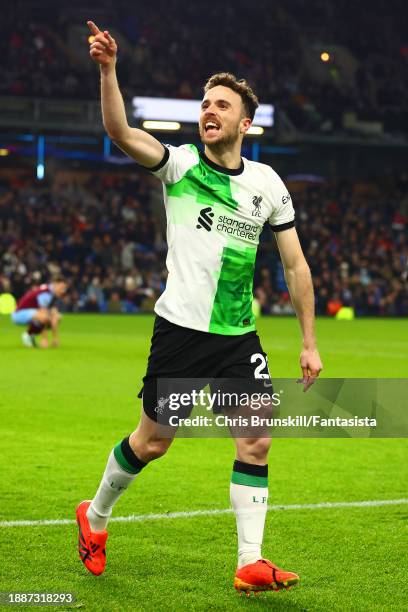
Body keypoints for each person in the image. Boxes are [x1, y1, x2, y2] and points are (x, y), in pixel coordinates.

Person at [76, 21, 323, 594]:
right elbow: (120, 133)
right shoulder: (181, 166)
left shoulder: (266, 184)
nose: (209, 111)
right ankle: (96, 517)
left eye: (222, 105)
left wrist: (309, 341)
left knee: (256, 437)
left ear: (245, 122)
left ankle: (250, 561)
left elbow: (295, 264)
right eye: (205, 104)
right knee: (153, 442)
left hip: (238, 336)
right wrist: (109, 71)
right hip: (181, 333)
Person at [11, 278, 67, 348]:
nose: (63, 291)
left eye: (64, 288)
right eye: (61, 288)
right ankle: (29, 335)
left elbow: (54, 315)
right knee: (44, 317)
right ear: (55, 284)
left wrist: (55, 338)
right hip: (19, 314)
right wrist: (44, 339)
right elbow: (43, 314)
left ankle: (31, 335)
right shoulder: (46, 292)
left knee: (57, 317)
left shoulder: (52, 294)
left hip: (32, 313)